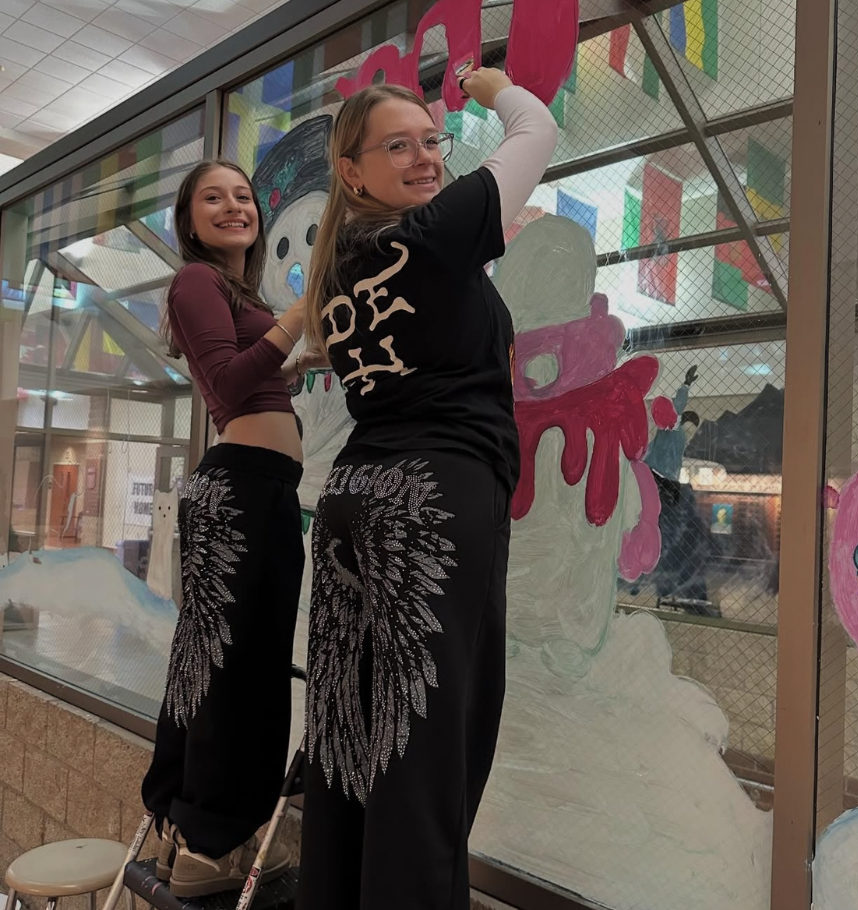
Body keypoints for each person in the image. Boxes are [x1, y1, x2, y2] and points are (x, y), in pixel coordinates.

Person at [297, 68, 558, 910]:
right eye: (397, 145)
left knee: (345, 739)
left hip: (353, 501)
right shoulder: (436, 233)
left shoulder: (337, 266)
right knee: (426, 757)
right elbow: (536, 131)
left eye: (431, 141)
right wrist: (491, 83)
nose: (424, 158)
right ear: (351, 170)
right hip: (432, 499)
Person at [140, 159, 323, 897]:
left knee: (231, 666)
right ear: (189, 221)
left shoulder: (232, 292)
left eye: (242, 196)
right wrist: (297, 317)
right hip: (240, 492)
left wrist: (299, 354)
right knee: (231, 674)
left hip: (262, 489)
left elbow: (253, 374)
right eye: (212, 198)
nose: (234, 207)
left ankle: (195, 825)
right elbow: (229, 383)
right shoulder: (195, 282)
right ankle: (211, 843)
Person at [644, 364, 699, 482]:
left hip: (652, 472)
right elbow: (678, 406)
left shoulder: (676, 433)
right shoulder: (675, 430)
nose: (691, 433)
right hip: (666, 478)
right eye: (691, 428)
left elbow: (677, 407)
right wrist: (686, 385)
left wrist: (686, 384)